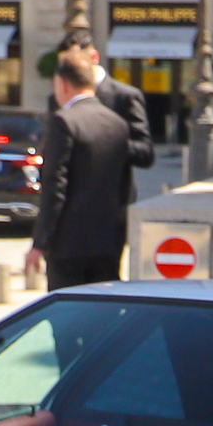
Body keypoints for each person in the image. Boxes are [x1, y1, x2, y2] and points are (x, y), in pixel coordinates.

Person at [30, 52, 136, 290]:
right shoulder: (117, 123)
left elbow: (55, 186)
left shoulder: (63, 122)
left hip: (69, 244)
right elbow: (126, 186)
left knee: (68, 319)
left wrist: (40, 242)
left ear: (62, 83)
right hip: (108, 241)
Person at [55, 30, 154, 187]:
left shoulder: (124, 96)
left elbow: (144, 153)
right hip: (71, 197)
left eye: (75, 64)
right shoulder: (57, 97)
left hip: (111, 194)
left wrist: (106, 142)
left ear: (94, 58)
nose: (68, 73)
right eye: (64, 66)